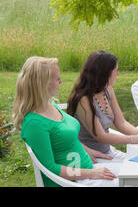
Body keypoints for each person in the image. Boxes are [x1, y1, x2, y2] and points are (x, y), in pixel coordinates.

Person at [13, 56, 119, 187]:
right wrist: (91, 173)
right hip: (73, 182)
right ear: (42, 84)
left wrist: (87, 150)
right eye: (57, 79)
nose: (61, 81)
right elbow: (51, 168)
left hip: (89, 170)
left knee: (137, 175)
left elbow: (66, 138)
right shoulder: (35, 124)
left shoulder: (50, 105)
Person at [67, 51, 138, 161]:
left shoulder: (107, 90)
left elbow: (121, 123)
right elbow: (101, 137)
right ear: (104, 74)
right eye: (116, 71)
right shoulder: (84, 100)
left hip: (107, 152)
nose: (118, 74)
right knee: (136, 172)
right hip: (91, 156)